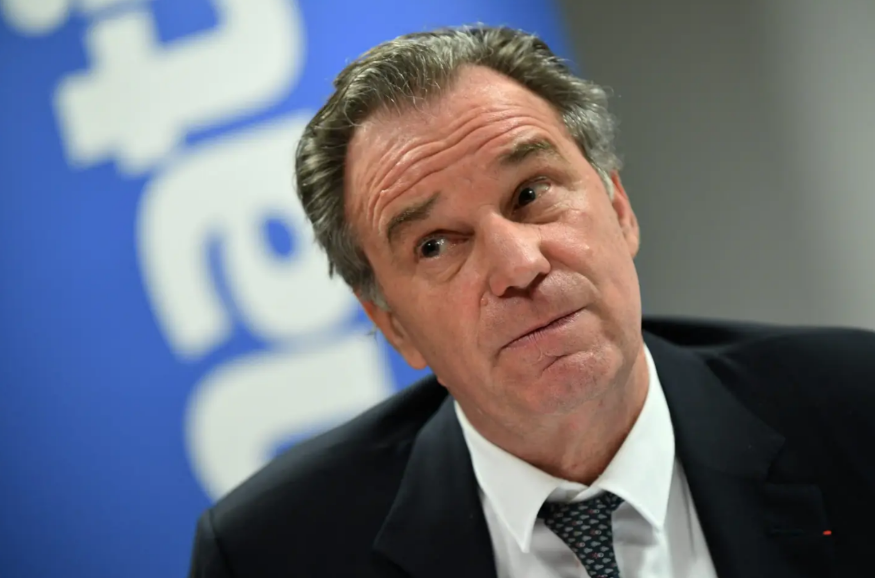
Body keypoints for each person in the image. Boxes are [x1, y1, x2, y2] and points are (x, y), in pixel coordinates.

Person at [187, 25, 875, 578]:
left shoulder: (854, 410)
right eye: (435, 245)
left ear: (618, 207)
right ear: (394, 326)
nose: (518, 265)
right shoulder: (273, 555)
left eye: (530, 193)